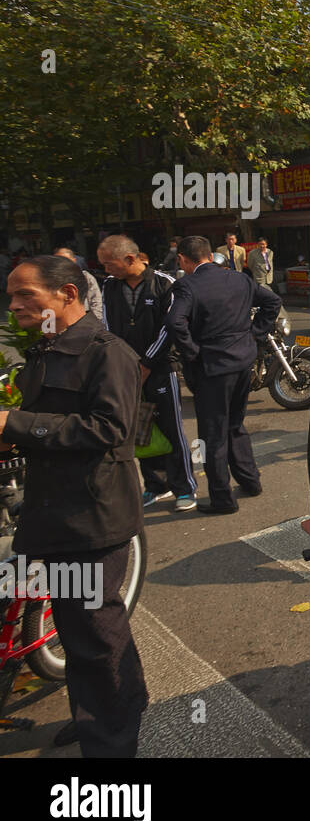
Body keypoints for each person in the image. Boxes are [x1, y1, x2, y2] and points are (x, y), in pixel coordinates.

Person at [0, 254, 149, 756]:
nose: (15, 305)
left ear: (66, 294)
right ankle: (96, 715)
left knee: (94, 632)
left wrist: (13, 426)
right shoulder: (46, 348)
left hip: (92, 517)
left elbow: (110, 430)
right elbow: (50, 421)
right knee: (73, 626)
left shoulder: (109, 353)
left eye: (26, 295)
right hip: (54, 512)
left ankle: (112, 738)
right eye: (12, 295)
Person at [164, 236, 281, 515]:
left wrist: (192, 351)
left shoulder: (187, 285)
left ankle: (222, 498)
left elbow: (174, 321)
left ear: (183, 259)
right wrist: (255, 335)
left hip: (212, 368)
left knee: (212, 435)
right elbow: (272, 301)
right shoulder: (238, 279)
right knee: (236, 424)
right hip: (243, 361)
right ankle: (250, 481)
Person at [97, 235, 198, 513]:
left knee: (172, 429)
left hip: (161, 368)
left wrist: (146, 363)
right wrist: (120, 364)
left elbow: (171, 327)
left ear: (130, 259)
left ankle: (184, 488)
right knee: (139, 428)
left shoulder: (165, 283)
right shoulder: (109, 286)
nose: (106, 270)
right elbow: (107, 325)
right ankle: (155, 484)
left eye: (109, 263)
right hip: (126, 370)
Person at [54, 247, 103, 323]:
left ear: (74, 260)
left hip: (86, 320)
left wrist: (95, 322)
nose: (63, 264)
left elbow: (96, 301)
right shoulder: (50, 280)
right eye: (59, 261)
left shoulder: (86, 277)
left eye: (67, 260)